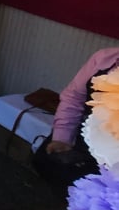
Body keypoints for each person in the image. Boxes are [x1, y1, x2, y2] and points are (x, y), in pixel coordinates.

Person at [34, 47, 119, 190]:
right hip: (89, 134)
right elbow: (73, 98)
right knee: (47, 162)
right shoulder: (103, 58)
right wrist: (62, 136)